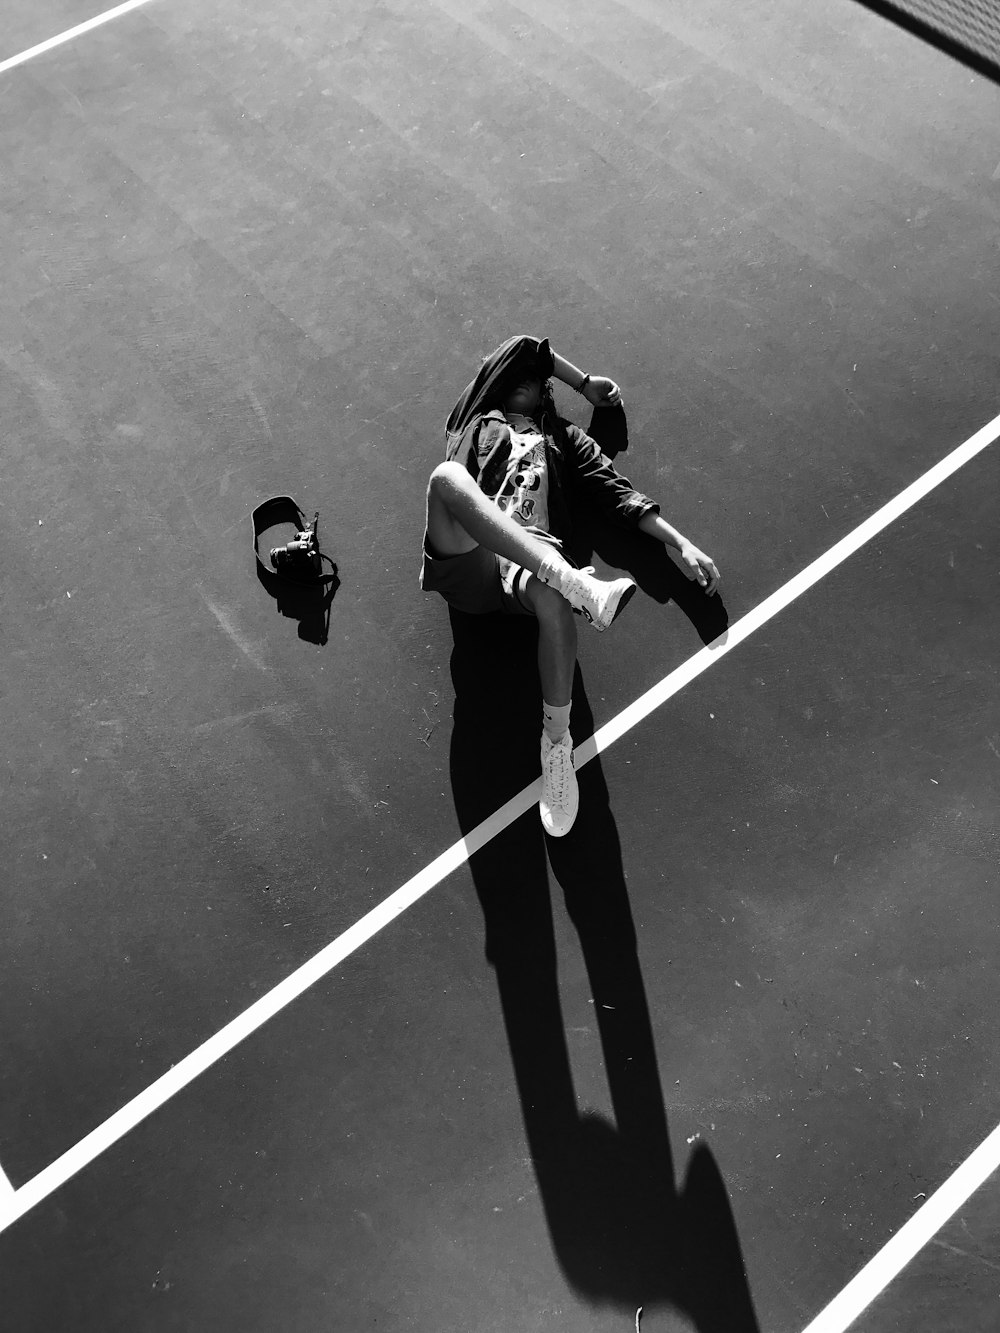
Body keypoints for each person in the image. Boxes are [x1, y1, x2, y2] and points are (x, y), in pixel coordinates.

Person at [421, 335, 720, 837]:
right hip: (472, 558)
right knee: (447, 476)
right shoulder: (475, 420)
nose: (520, 382)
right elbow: (523, 346)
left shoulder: (563, 441)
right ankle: (576, 583)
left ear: (540, 396)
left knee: (554, 599)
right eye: (516, 379)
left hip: (528, 568)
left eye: (532, 385)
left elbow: (616, 493)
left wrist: (681, 543)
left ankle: (557, 747)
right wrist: (584, 383)